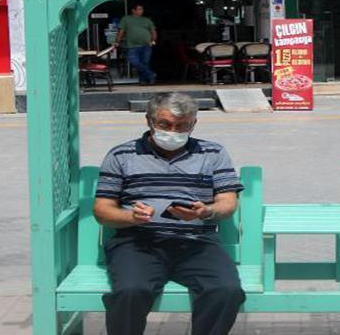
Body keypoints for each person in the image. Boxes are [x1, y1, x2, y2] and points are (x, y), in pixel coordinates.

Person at [93, 93, 245, 335]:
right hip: (137, 243)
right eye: (165, 125)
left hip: (198, 243)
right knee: (131, 291)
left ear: (194, 124)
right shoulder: (121, 155)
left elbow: (228, 203)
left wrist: (206, 212)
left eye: (182, 125)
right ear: (149, 120)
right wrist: (130, 217)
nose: (173, 132)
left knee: (226, 291)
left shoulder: (213, 153)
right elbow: (102, 210)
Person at [114, 3, 157, 85]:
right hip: (132, 46)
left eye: (142, 9)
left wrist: (153, 41)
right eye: (139, 9)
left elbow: (153, 31)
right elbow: (121, 32)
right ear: (133, 10)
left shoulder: (147, 20)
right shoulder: (126, 19)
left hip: (146, 45)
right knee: (134, 62)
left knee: (145, 63)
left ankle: (143, 80)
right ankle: (151, 75)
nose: (141, 11)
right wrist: (117, 41)